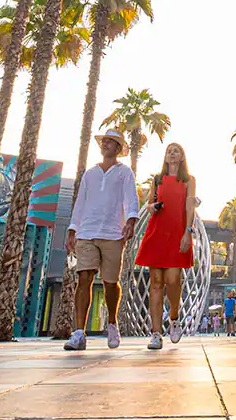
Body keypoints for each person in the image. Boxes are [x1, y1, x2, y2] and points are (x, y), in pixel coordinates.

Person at [63, 128, 140, 351]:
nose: (105, 144)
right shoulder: (90, 174)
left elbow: (131, 199)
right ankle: (79, 333)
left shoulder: (124, 173)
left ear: (118, 148)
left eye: (110, 141)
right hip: (86, 232)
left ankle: (112, 323)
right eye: (103, 141)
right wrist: (72, 230)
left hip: (113, 233)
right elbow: (80, 202)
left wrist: (131, 221)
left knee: (110, 283)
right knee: (84, 278)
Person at [135, 141, 197, 350]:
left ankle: (174, 318)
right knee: (156, 282)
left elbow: (190, 206)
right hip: (157, 232)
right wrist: (152, 206)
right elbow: (149, 204)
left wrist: (188, 232)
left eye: (176, 151)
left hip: (177, 232)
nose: (172, 153)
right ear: (165, 156)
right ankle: (155, 334)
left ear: (182, 157)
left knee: (173, 279)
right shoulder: (157, 179)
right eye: (169, 151)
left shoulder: (188, 180)